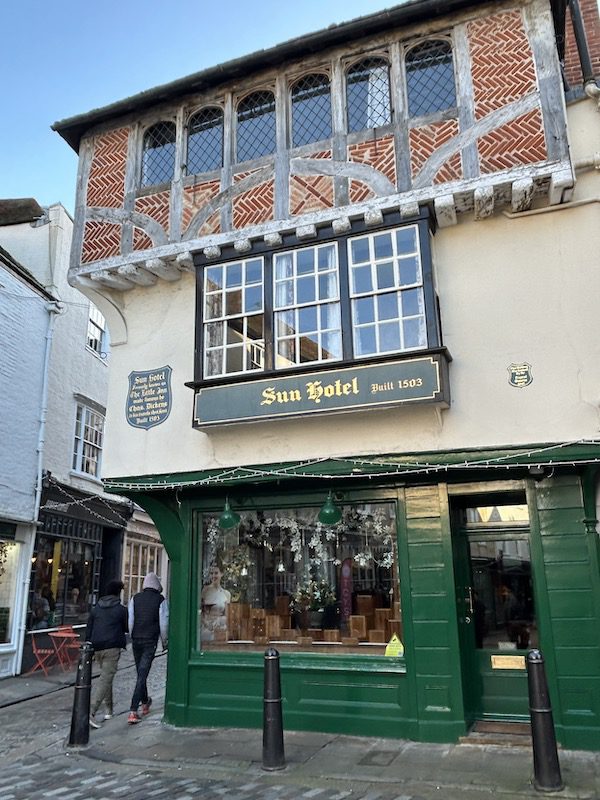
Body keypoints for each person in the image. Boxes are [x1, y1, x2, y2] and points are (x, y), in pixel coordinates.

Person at [85, 579, 128, 728]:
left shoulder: (96, 608)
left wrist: (88, 646)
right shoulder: (121, 610)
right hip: (112, 647)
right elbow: (126, 628)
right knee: (105, 678)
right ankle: (91, 712)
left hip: (97, 647)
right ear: (118, 592)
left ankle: (109, 709)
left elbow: (89, 629)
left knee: (106, 675)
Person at [127, 572, 168, 725]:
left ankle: (145, 703)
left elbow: (130, 620)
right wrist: (164, 642)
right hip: (150, 640)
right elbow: (164, 623)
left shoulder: (135, 598)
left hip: (137, 639)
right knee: (142, 675)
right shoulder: (160, 600)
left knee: (140, 672)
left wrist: (132, 636)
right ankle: (133, 710)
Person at [201, 563, 231, 642]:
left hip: (221, 629)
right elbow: (201, 612)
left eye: (216, 573)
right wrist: (207, 624)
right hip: (207, 629)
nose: (213, 576)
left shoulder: (226, 594)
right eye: (211, 573)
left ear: (221, 574)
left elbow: (228, 616)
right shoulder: (205, 591)